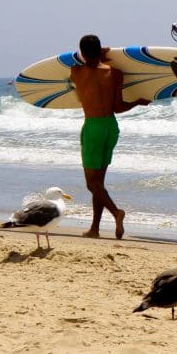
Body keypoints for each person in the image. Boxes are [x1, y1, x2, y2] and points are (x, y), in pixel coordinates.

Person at [70, 34, 149, 239]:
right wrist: (138, 102)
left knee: (91, 184)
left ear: (82, 51)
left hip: (93, 127)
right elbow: (118, 107)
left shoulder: (76, 71)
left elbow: (82, 64)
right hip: (111, 127)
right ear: (99, 50)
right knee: (99, 183)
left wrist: (98, 56)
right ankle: (95, 228)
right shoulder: (115, 73)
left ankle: (117, 213)